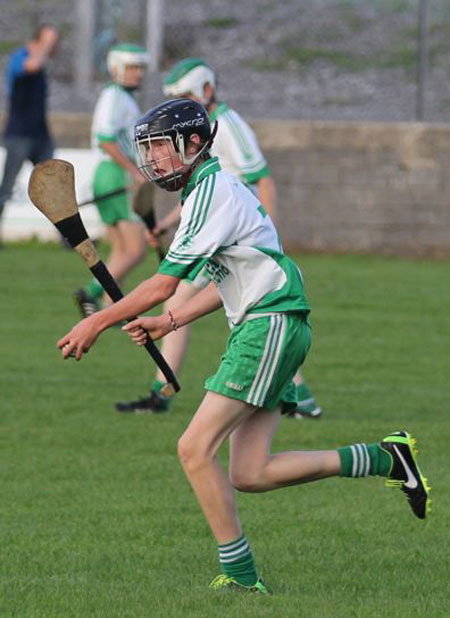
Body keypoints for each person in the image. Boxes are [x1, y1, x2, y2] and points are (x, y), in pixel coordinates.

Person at [57, 98, 430, 594]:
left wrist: (97, 322)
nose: (152, 161)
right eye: (146, 151)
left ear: (194, 144)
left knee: (193, 449)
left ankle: (241, 576)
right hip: (271, 322)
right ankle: (387, 459)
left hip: (269, 323)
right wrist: (171, 322)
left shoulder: (214, 194)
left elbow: (163, 282)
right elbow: (223, 279)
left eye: (160, 150)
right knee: (250, 472)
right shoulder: (202, 195)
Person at [115, 58, 321, 419]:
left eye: (187, 96)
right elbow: (204, 189)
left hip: (239, 238)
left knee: (253, 306)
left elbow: (260, 178)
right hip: (221, 232)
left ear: (207, 91)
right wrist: (165, 224)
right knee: (204, 304)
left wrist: (267, 238)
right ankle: (163, 387)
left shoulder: (230, 127)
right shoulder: (200, 165)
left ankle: (294, 391)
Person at [74, 43, 150, 316]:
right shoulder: (115, 97)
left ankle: (110, 306)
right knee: (137, 249)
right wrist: (133, 171)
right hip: (115, 174)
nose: (138, 73)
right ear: (116, 68)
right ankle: (91, 291)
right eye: (131, 67)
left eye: (140, 67)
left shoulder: (122, 97)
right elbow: (107, 140)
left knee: (120, 248)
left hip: (108, 172)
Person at [0, 24, 60, 240]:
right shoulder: (21, 57)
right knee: (6, 189)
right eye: (48, 41)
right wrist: (44, 45)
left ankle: (69, 238)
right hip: (18, 135)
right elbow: (30, 66)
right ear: (37, 41)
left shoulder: (43, 62)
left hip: (41, 136)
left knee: (54, 190)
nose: (53, 46)